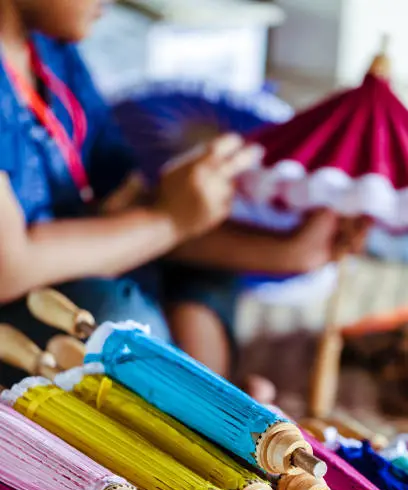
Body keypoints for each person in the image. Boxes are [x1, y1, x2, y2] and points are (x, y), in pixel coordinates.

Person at [0, 0, 352, 393]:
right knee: (110, 315)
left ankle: (210, 396)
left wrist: (292, 252)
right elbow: (8, 267)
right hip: (18, 304)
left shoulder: (54, 55)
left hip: (74, 266)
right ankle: (192, 406)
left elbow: (126, 206)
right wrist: (171, 220)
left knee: (202, 259)